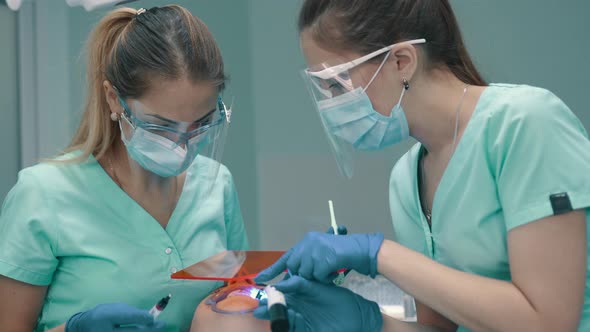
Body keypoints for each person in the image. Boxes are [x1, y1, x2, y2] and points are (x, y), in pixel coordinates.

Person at [254, 0, 590, 331]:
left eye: (336, 83)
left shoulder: (525, 124)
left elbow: (547, 321)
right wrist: (368, 322)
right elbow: (440, 328)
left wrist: (381, 255)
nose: (331, 104)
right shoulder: (406, 178)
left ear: (401, 61)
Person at [0, 5, 247, 332]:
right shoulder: (43, 195)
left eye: (201, 125)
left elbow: (236, 304)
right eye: (161, 127)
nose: (182, 144)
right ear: (114, 99)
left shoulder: (217, 186)